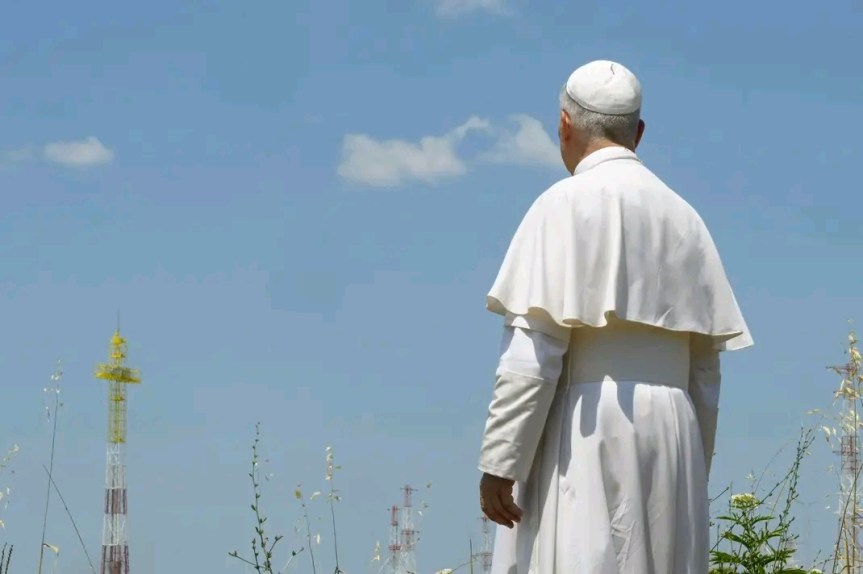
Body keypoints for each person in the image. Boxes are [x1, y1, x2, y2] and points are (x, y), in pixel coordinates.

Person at [476, 59, 752, 573]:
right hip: (674, 430)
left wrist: (499, 462)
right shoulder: (685, 217)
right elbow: (705, 375)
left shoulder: (559, 206)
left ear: (564, 125)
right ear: (639, 133)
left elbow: (532, 357)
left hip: (587, 424)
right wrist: (692, 461)